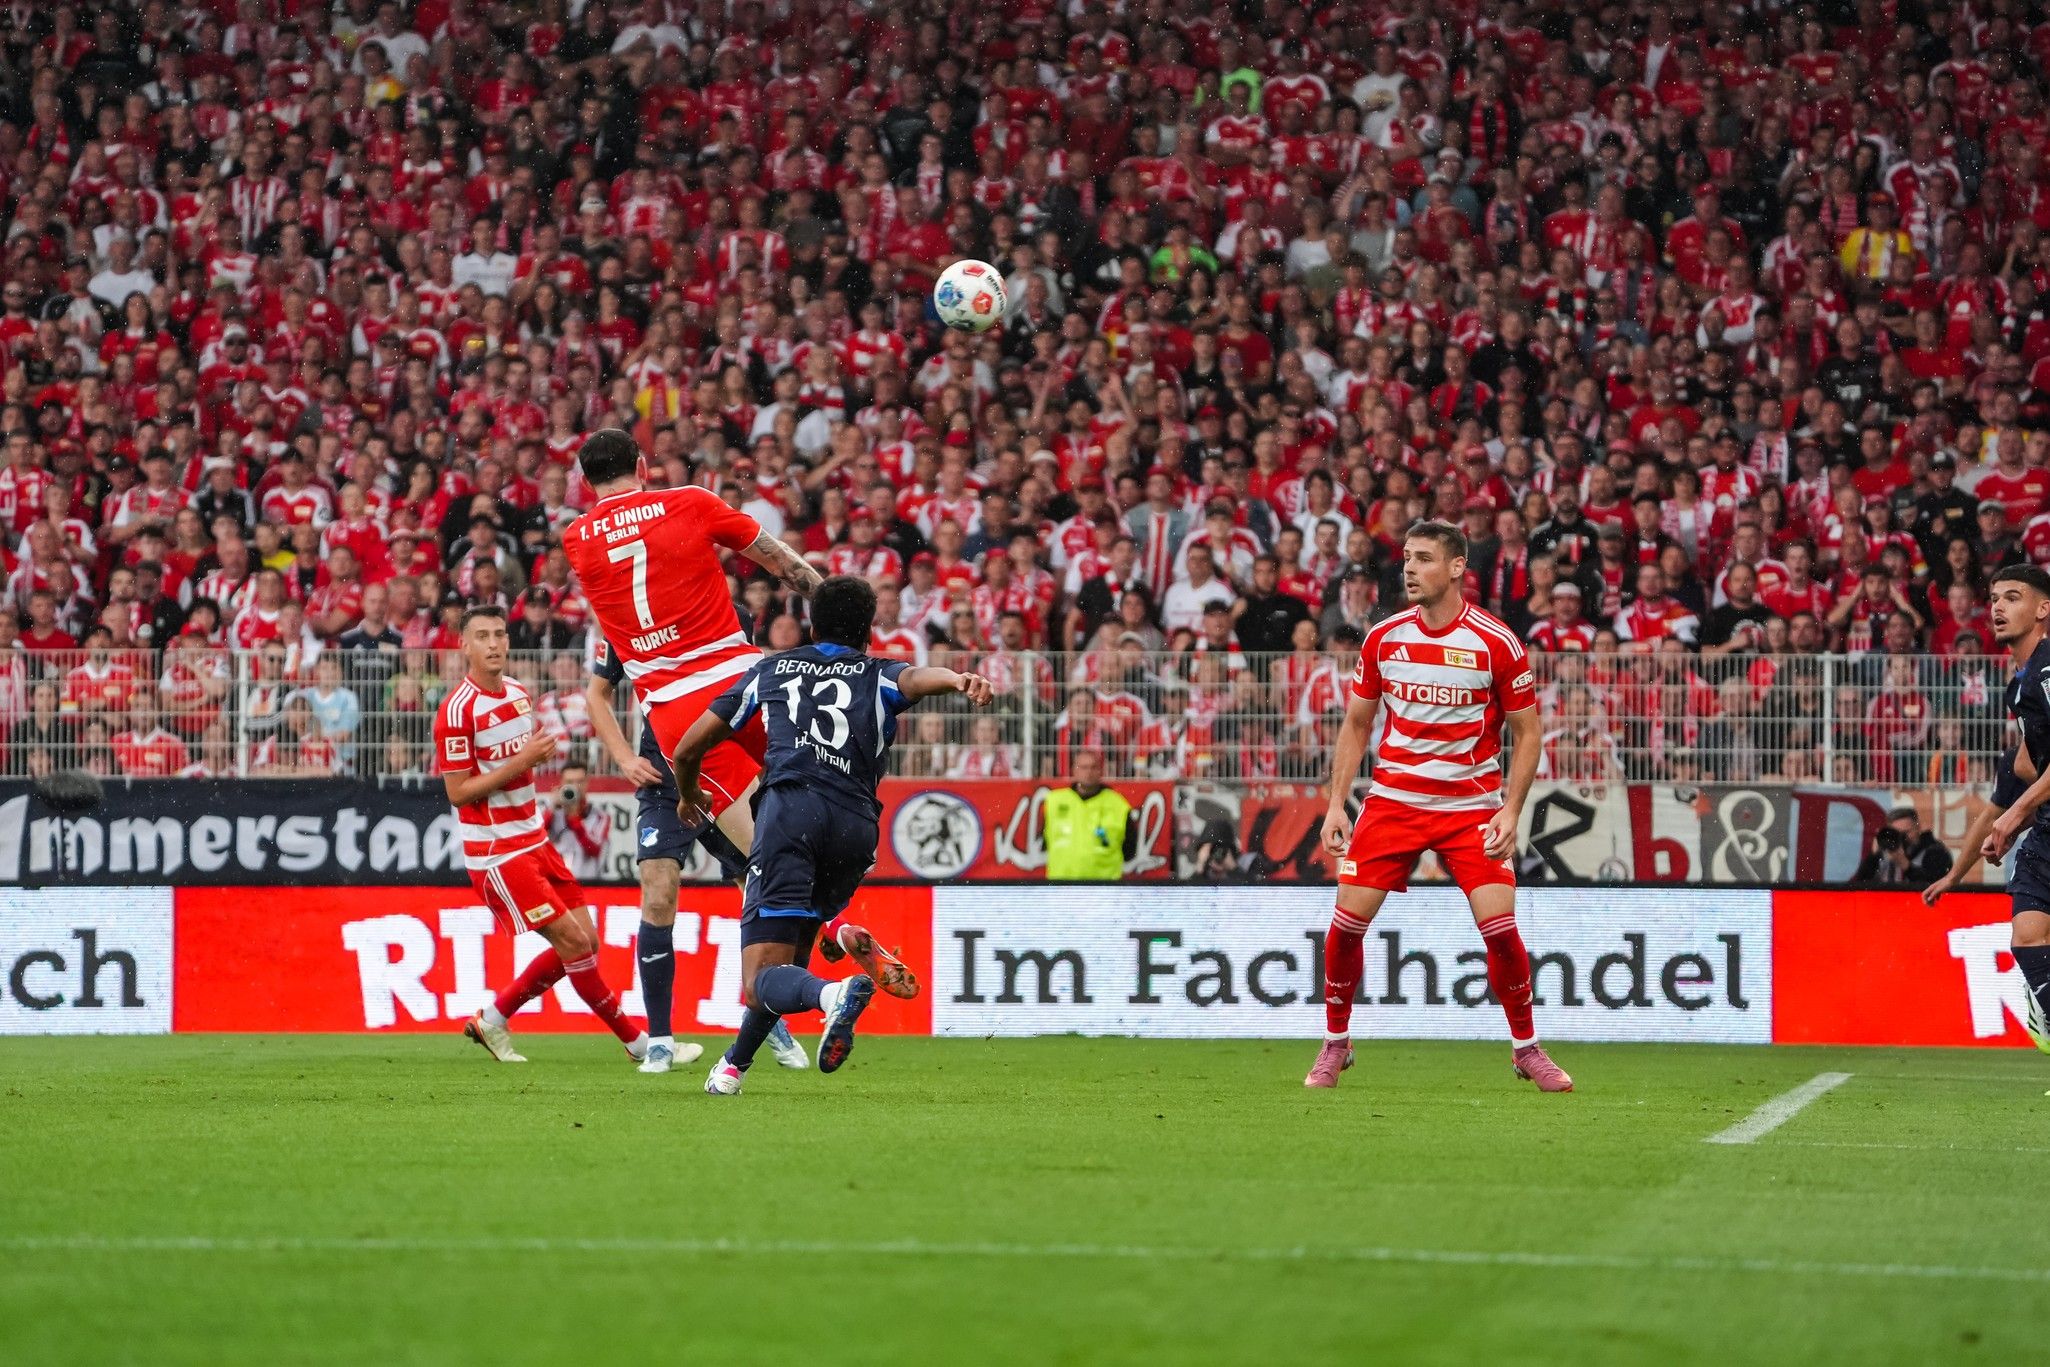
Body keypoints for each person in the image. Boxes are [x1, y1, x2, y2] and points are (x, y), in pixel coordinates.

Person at [562, 428, 822, 1069]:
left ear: (586, 485)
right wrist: (835, 608)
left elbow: (622, 599)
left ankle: (774, 1004)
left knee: (763, 861)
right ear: (644, 467)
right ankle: (780, 989)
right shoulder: (691, 504)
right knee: (791, 835)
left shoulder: (576, 540)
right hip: (745, 684)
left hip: (679, 719)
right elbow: (780, 561)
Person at [673, 575, 993, 1093]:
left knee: (760, 979)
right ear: (867, 631)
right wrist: (958, 680)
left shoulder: (773, 669)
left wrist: (689, 795)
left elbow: (688, 748)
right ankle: (733, 1067)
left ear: (810, 624)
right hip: (855, 830)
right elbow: (915, 679)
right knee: (787, 965)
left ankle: (834, 994)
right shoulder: (878, 673)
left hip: (790, 818)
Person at [1310, 520, 1572, 1093]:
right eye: (1407, 557)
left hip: (1470, 806)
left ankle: (1526, 1049)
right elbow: (1356, 725)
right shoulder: (1384, 638)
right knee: (1345, 926)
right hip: (1394, 801)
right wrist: (1336, 806)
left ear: (1457, 568)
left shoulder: (1496, 642)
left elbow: (1529, 733)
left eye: (1424, 558)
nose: (1409, 568)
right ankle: (1335, 1043)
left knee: (1501, 930)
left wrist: (1511, 808)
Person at [434, 605, 648, 1065]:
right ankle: (639, 1044)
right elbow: (458, 793)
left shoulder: (517, 693)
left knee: (586, 942)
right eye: (482, 637)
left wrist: (525, 766)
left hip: (535, 840)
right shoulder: (456, 711)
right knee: (573, 944)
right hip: (498, 851)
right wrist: (523, 762)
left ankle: (493, 1017)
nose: (493, 644)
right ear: (464, 646)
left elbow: (518, 770)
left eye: (499, 635)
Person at [586, 637, 808, 1075]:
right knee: (658, 892)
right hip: (662, 778)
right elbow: (597, 692)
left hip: (722, 771)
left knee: (760, 886)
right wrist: (625, 757)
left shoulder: (726, 621)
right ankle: (661, 1042)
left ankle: (767, 1020)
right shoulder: (626, 624)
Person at [1971, 565, 2050, 1052]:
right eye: (1995, 597)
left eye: (2012, 597)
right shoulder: (2022, 685)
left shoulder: (2047, 673)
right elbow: (2027, 762)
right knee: (2027, 935)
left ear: (2043, 610)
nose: (1997, 606)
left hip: (2038, 820)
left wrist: (2014, 813)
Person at [1043, 749, 1136, 880]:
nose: (1089, 772)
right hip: (1062, 887)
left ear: (1101, 771)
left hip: (1104, 888)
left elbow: (1130, 850)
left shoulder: (1118, 805)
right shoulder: (1054, 801)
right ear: (1074, 770)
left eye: (1094, 767)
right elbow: (1044, 840)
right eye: (1084, 767)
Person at [1850, 806, 1953, 888]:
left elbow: (1937, 885)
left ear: (1918, 828)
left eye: (1906, 832)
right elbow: (1859, 884)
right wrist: (1874, 856)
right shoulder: (1886, 852)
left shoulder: (1935, 851)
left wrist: (1906, 866)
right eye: (1896, 833)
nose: (1903, 838)